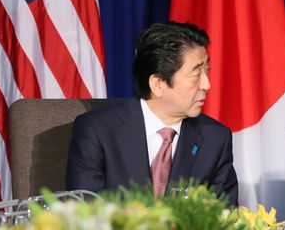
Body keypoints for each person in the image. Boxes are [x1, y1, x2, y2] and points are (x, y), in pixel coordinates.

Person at [66, 21, 238, 206]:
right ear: (157, 84)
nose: (207, 85)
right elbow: (82, 213)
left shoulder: (215, 138)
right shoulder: (97, 131)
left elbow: (225, 215)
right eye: (196, 75)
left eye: (207, 72)